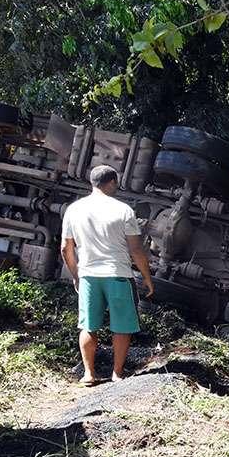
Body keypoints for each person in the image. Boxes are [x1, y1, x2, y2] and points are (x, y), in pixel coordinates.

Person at [60, 165, 154, 385]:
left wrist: (76, 275)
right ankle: (117, 373)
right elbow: (136, 248)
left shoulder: (74, 209)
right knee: (121, 327)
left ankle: (89, 374)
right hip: (118, 275)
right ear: (112, 182)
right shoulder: (123, 210)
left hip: (88, 275)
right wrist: (147, 276)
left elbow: (66, 248)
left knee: (88, 326)